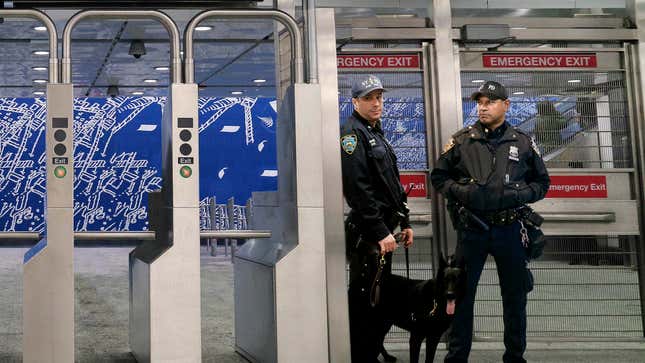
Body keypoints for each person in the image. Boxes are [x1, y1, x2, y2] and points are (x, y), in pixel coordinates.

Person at [431, 81, 550, 363]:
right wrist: (464, 192)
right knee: (461, 296)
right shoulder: (462, 140)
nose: (483, 107)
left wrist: (519, 193)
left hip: (510, 228)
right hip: (472, 230)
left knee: (515, 296)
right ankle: (457, 357)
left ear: (506, 106)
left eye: (490, 101)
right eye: (480, 102)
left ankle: (514, 356)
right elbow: (438, 177)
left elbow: (542, 182)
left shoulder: (522, 141)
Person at [340, 74, 414, 362]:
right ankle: (361, 355)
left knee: (378, 297)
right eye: (369, 98)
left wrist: (404, 223)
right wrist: (381, 231)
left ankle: (372, 349)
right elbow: (357, 188)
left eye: (379, 97)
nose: (376, 103)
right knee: (364, 298)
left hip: (383, 231)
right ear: (355, 101)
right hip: (369, 235)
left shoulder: (375, 132)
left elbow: (392, 184)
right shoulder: (352, 134)